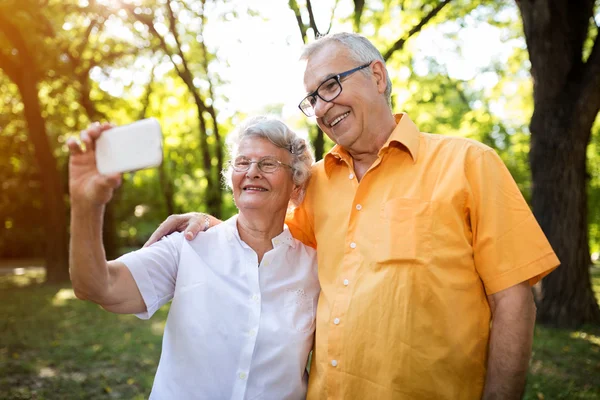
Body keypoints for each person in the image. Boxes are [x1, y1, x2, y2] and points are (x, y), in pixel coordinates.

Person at [147, 33, 560, 399]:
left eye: (330, 85)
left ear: (377, 77)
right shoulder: (316, 184)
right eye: (312, 99)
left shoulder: (469, 163)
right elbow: (270, 244)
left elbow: (513, 300)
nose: (323, 107)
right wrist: (212, 224)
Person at [68, 116, 319, 399]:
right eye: (242, 162)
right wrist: (86, 204)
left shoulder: (316, 269)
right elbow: (99, 286)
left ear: (296, 185)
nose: (252, 171)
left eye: (268, 163)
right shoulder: (188, 246)